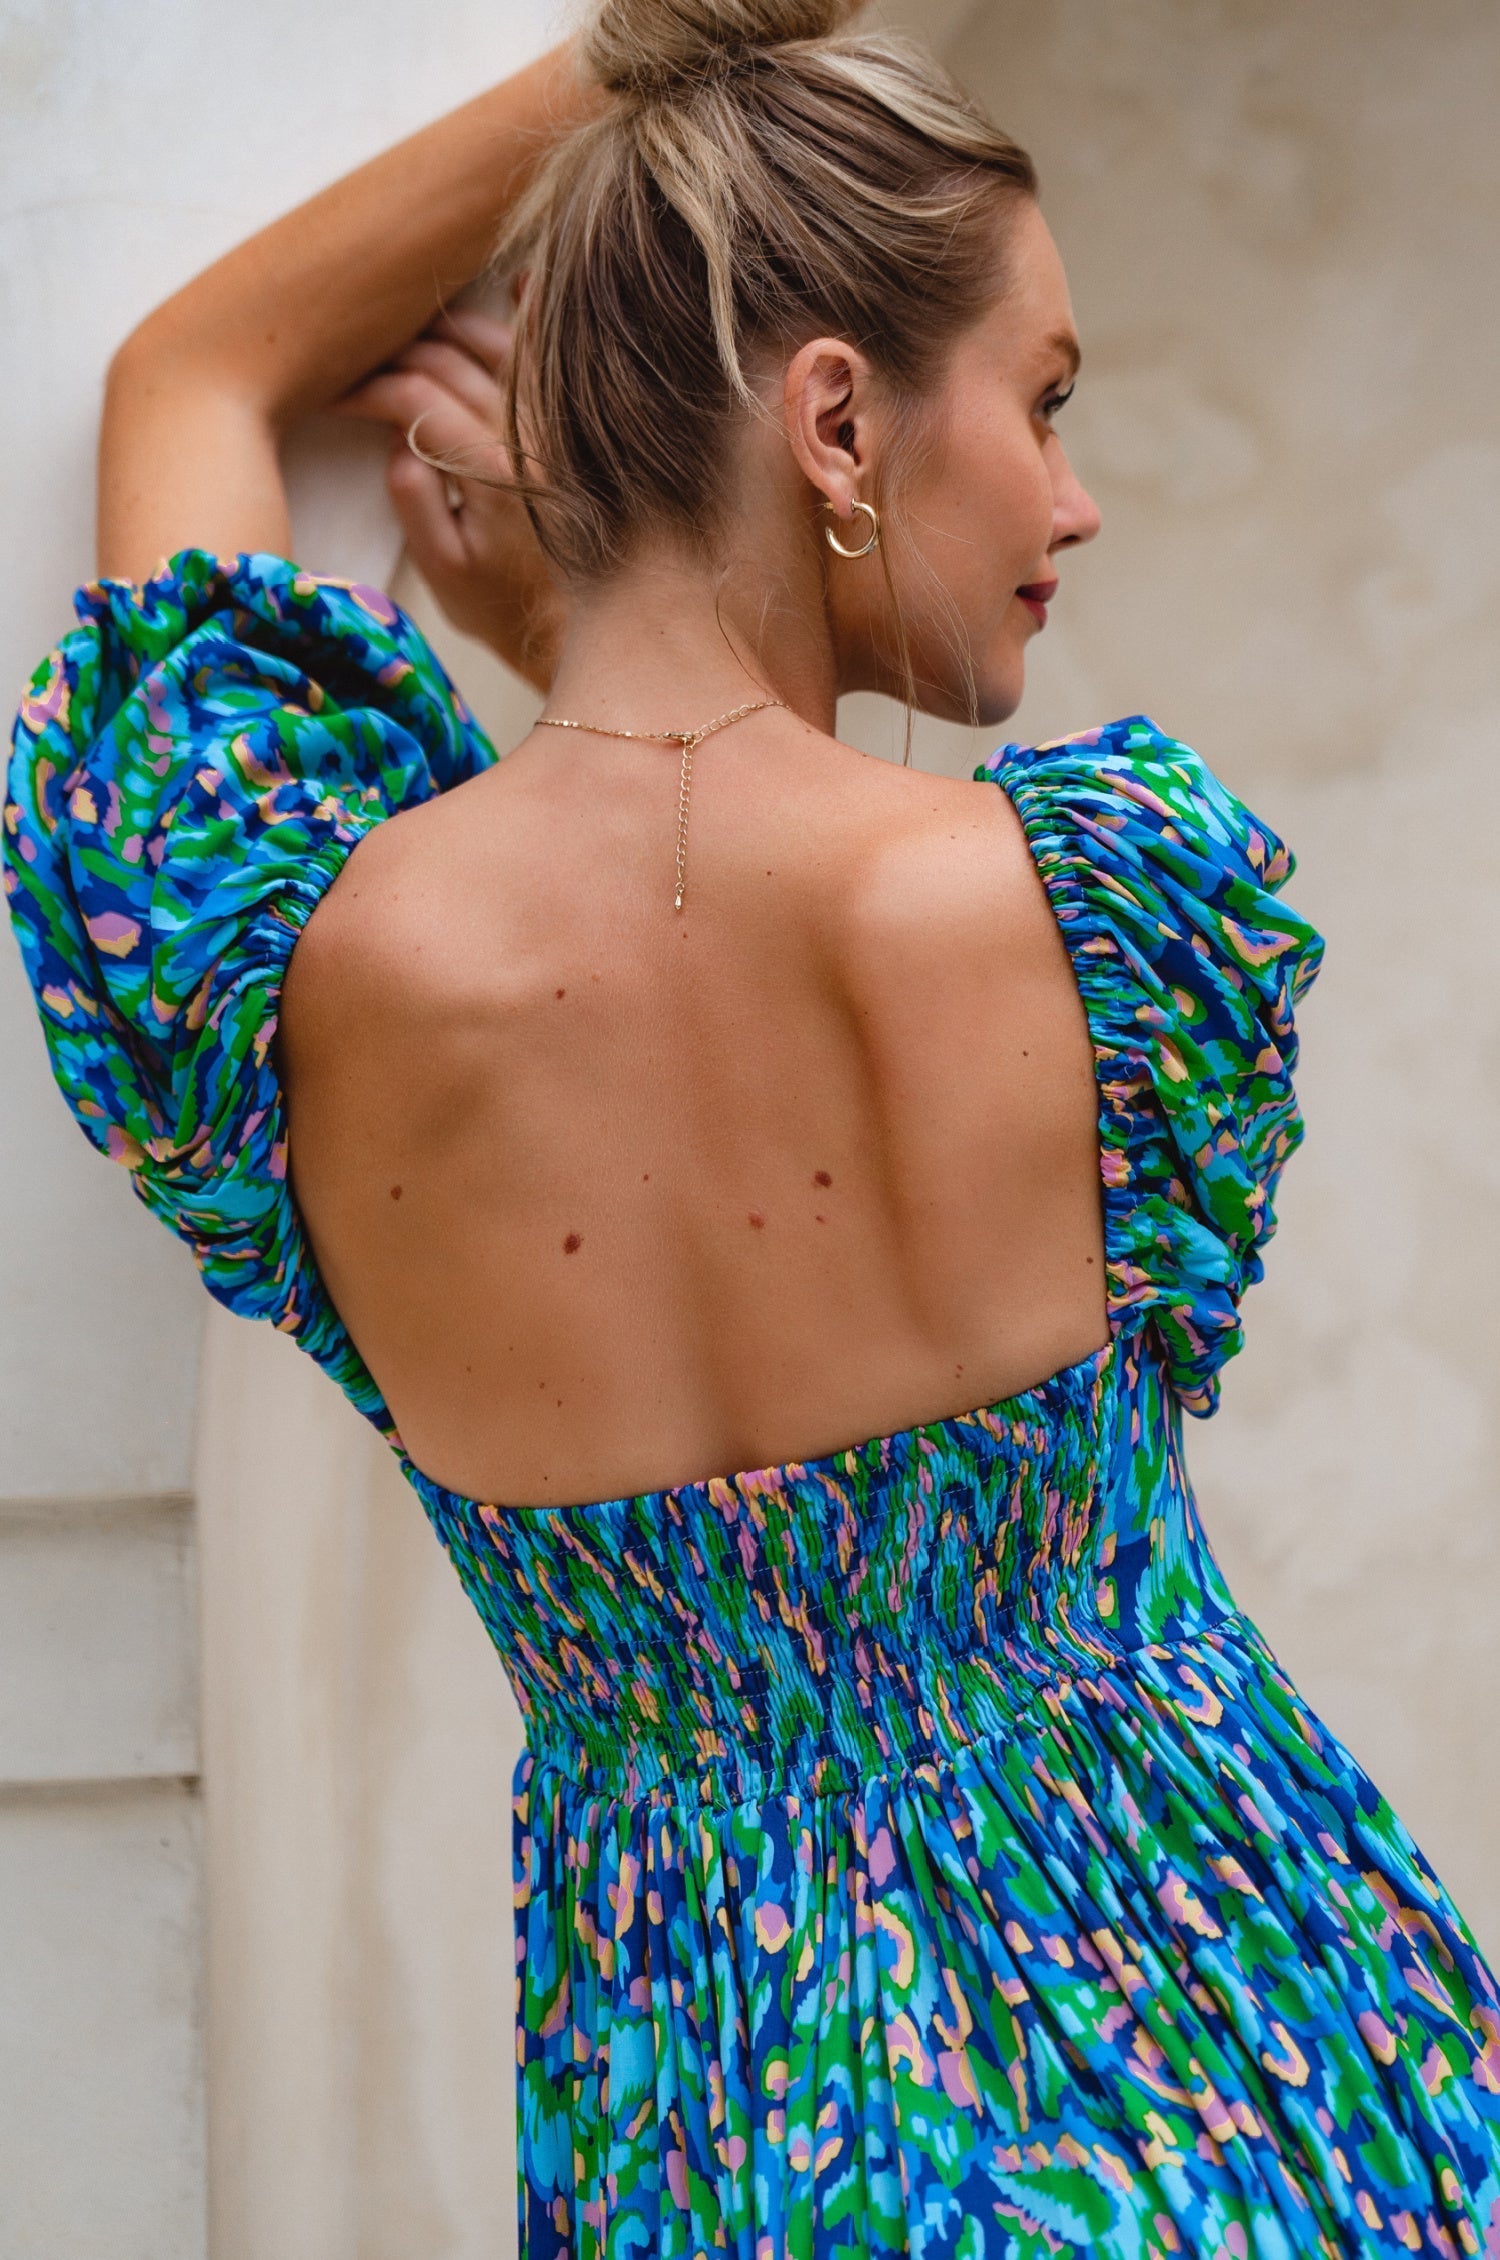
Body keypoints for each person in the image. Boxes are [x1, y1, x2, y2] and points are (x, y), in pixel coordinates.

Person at [7, 0, 1499, 2250]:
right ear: (835, 419)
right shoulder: (1105, 918)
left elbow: (191, 376)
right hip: (1250, 2061)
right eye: (1044, 397)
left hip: (710, 2129)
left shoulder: (278, 985)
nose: (1073, 495)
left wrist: (650, 54)